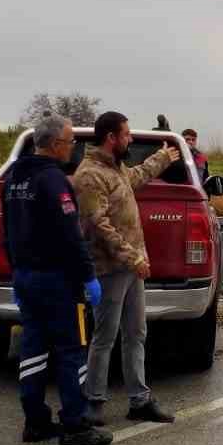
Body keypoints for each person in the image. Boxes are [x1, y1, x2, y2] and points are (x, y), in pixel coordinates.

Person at [2, 114, 110, 445]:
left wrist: (16, 273)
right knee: (71, 351)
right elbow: (71, 236)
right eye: (69, 142)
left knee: (33, 349)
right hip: (58, 281)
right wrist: (88, 276)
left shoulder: (13, 178)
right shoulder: (54, 180)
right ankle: (75, 425)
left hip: (25, 277)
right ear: (54, 144)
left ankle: (34, 421)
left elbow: (7, 231)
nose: (72, 148)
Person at [75, 111, 183, 423]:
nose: (130, 139)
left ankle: (139, 400)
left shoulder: (115, 168)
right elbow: (98, 225)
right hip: (111, 268)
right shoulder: (90, 175)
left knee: (136, 332)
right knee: (105, 335)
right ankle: (93, 401)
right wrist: (131, 257)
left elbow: (134, 178)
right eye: (126, 134)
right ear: (111, 138)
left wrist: (161, 159)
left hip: (133, 267)